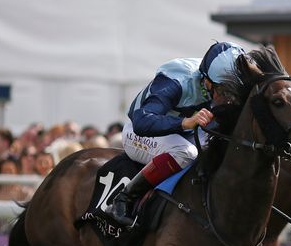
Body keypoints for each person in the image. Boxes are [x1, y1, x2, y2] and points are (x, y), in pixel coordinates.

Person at [105, 41, 245, 226]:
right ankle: (123, 199)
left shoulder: (219, 75)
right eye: (222, 91)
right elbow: (142, 122)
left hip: (178, 132)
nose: (226, 97)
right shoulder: (176, 81)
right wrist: (185, 123)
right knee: (186, 152)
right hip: (140, 132)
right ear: (208, 81)